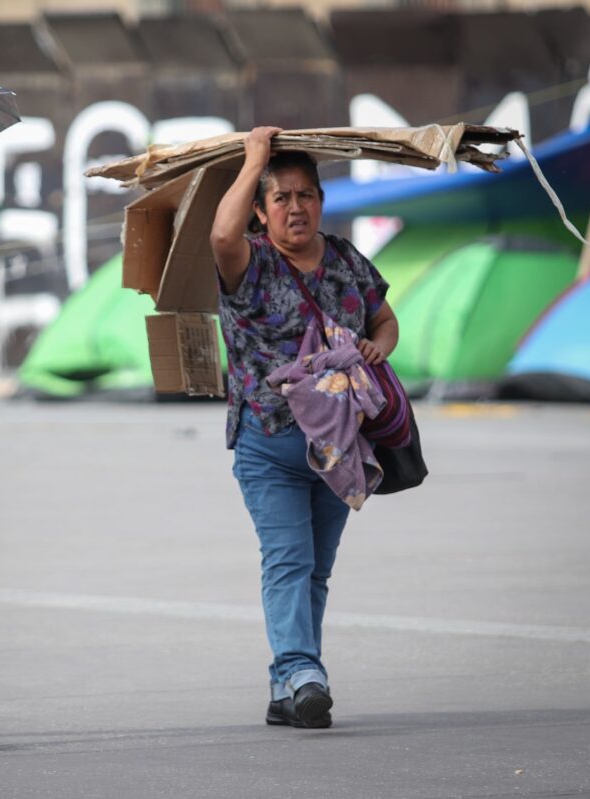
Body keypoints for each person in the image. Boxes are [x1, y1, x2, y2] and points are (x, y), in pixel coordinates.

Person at [210, 127, 399, 729]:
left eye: (306, 195)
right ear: (261, 212)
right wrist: (254, 161)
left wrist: (376, 347)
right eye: (281, 198)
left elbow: (387, 319)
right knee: (287, 560)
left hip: (339, 446)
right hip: (268, 443)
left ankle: (287, 687)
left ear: (321, 200)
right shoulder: (250, 262)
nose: (296, 208)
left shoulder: (346, 259)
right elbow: (219, 232)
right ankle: (302, 670)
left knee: (316, 566)